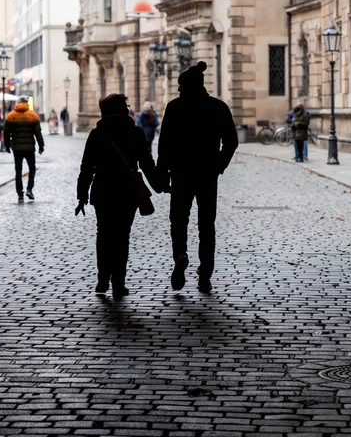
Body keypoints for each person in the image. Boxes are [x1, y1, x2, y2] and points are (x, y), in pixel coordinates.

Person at [157, 61, 238, 294]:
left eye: (180, 86)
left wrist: (162, 174)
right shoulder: (218, 107)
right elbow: (231, 141)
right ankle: (205, 275)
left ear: (186, 86)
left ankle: (180, 255)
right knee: (206, 226)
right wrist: (219, 165)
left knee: (178, 221)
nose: (179, 90)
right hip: (207, 175)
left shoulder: (174, 108)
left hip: (181, 174)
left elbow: (165, 146)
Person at [76, 93, 159, 299]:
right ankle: (118, 283)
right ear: (123, 110)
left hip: (102, 190)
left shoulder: (97, 134)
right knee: (122, 237)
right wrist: (161, 185)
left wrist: (81, 195)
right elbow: (147, 164)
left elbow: (86, 167)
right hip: (126, 191)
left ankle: (102, 279)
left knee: (103, 236)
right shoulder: (135, 133)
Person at [4, 95, 45, 203]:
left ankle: (20, 194)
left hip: (16, 148)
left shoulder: (11, 116)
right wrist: (41, 145)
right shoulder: (32, 115)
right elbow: (38, 133)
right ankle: (29, 189)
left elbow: (6, 132)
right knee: (32, 168)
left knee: (18, 170)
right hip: (29, 147)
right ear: (27, 103)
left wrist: (7, 145)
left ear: (18, 103)